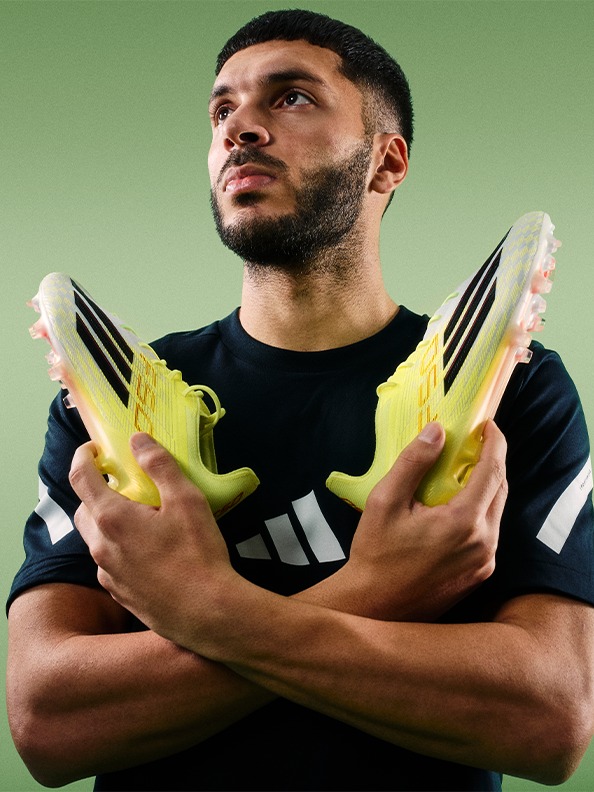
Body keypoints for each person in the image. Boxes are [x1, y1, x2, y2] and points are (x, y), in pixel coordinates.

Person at [7, 9, 594, 792]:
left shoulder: (514, 385)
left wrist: (199, 608)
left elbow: (549, 720)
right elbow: (48, 724)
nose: (239, 127)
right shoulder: (105, 407)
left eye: (290, 98)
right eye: (222, 109)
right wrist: (379, 589)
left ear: (387, 163)